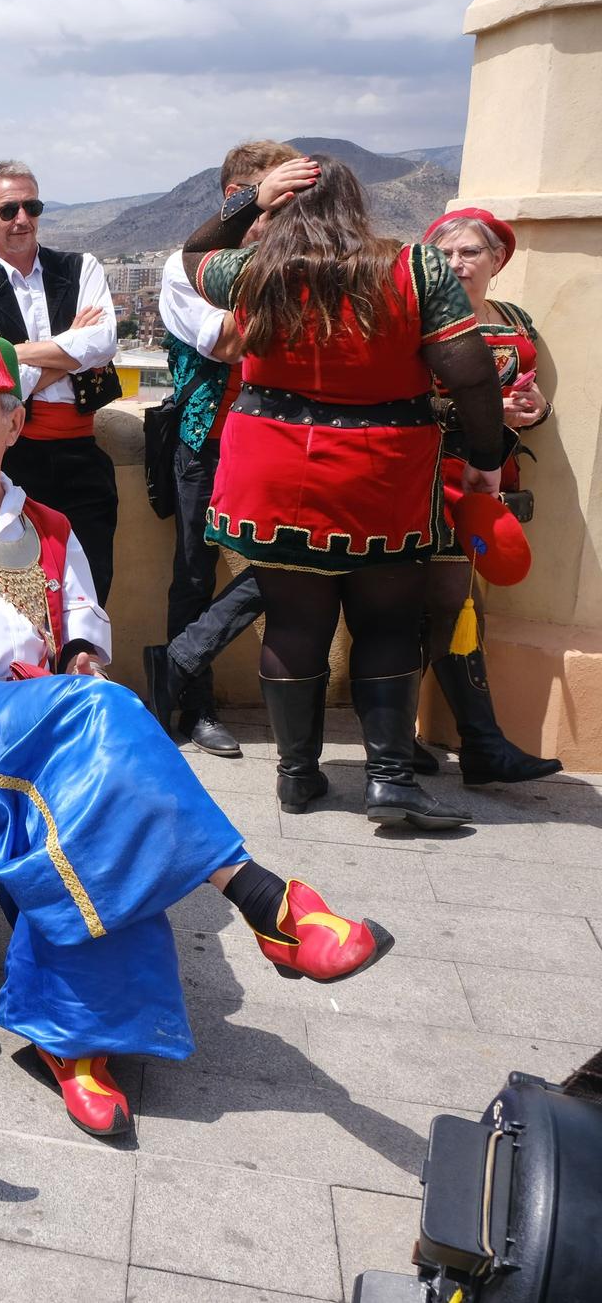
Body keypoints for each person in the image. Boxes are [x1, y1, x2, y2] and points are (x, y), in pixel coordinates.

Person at [0, 333, 395, 1138]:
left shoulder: (49, 527)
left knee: (97, 807)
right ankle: (267, 901)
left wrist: (81, 660)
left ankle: (73, 1041)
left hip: (36, 734)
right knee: (107, 720)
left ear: (13, 425)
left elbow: (82, 637)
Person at [185, 155, 507, 827]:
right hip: (382, 470)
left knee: (294, 622)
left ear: (283, 205)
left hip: (272, 470)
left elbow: (197, 252)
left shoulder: (254, 271)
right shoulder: (415, 267)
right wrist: (486, 455)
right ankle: (389, 779)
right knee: (387, 622)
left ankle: (297, 777)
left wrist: (248, 197)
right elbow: (470, 369)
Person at [144, 141, 302, 759]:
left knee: (291, 560)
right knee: (191, 574)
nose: (268, 216)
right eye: (258, 200)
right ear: (234, 202)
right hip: (205, 443)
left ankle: (177, 665)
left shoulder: (289, 262)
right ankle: (195, 708)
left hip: (278, 445)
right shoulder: (182, 270)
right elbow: (228, 342)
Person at [415, 208, 560, 785]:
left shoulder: (516, 320)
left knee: (456, 605)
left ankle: (467, 743)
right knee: (448, 603)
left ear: (497, 260)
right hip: (434, 479)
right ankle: (476, 743)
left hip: (492, 480)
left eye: (471, 252)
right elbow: (405, 403)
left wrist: (535, 411)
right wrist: (478, 410)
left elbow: (534, 396)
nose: (458, 264)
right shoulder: (419, 320)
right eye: (446, 254)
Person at [0, 160, 123, 604]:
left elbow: (103, 341)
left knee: (90, 585)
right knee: (18, 586)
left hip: (81, 456)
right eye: (8, 210)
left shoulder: (81, 267)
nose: (22, 219)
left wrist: (11, 353)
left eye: (32, 206)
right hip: (14, 459)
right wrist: (71, 351)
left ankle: (83, 670)